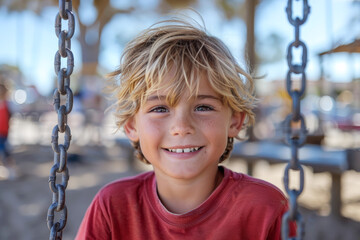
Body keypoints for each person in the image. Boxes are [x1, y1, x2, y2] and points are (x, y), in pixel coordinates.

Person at [75, 18, 296, 239]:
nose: (181, 127)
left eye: (203, 107)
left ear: (235, 121)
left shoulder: (266, 208)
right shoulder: (113, 206)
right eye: (160, 109)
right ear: (132, 126)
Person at [0, 83, 17, 180]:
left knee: (6, 152)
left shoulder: (8, 104)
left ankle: (11, 171)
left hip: (4, 133)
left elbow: (12, 115)